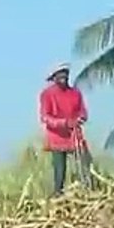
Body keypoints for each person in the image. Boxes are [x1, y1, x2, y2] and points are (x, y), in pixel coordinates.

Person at [39, 62, 91, 196]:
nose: (63, 76)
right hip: (57, 138)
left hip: (75, 136)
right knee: (60, 170)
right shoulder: (47, 94)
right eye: (60, 74)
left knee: (83, 165)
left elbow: (83, 112)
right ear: (54, 77)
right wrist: (64, 123)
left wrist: (80, 118)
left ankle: (86, 190)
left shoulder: (75, 93)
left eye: (65, 73)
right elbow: (45, 117)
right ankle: (58, 194)